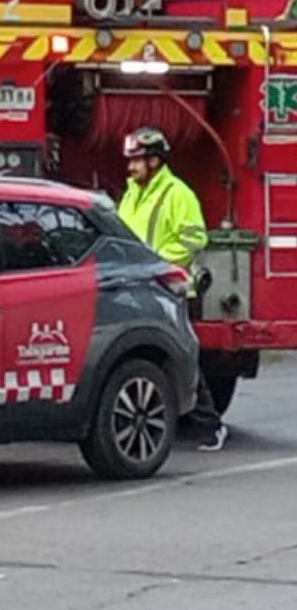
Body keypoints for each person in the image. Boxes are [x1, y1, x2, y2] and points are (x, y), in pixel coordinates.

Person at [117, 126, 227, 452]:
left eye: (137, 160)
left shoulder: (177, 194)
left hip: (173, 288)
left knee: (181, 356)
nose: (131, 167)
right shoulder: (132, 194)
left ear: (154, 160)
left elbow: (194, 238)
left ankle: (209, 426)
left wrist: (158, 264)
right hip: (143, 286)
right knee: (158, 355)